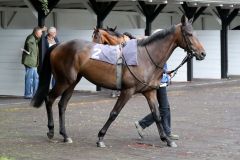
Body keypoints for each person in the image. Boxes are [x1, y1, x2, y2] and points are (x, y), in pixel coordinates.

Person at [134, 64, 179, 140]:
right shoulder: (160, 52)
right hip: (158, 82)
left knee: (165, 108)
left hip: (160, 80)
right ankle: (142, 124)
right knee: (164, 108)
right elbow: (157, 65)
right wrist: (165, 73)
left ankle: (167, 132)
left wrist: (166, 74)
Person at [22, 27, 43, 99]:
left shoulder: (34, 38)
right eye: (40, 33)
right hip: (30, 62)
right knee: (29, 79)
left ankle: (35, 94)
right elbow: (29, 42)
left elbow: (36, 41)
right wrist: (30, 50)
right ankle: (28, 94)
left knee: (36, 78)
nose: (42, 34)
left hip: (33, 62)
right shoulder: (31, 38)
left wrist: (41, 30)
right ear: (36, 33)